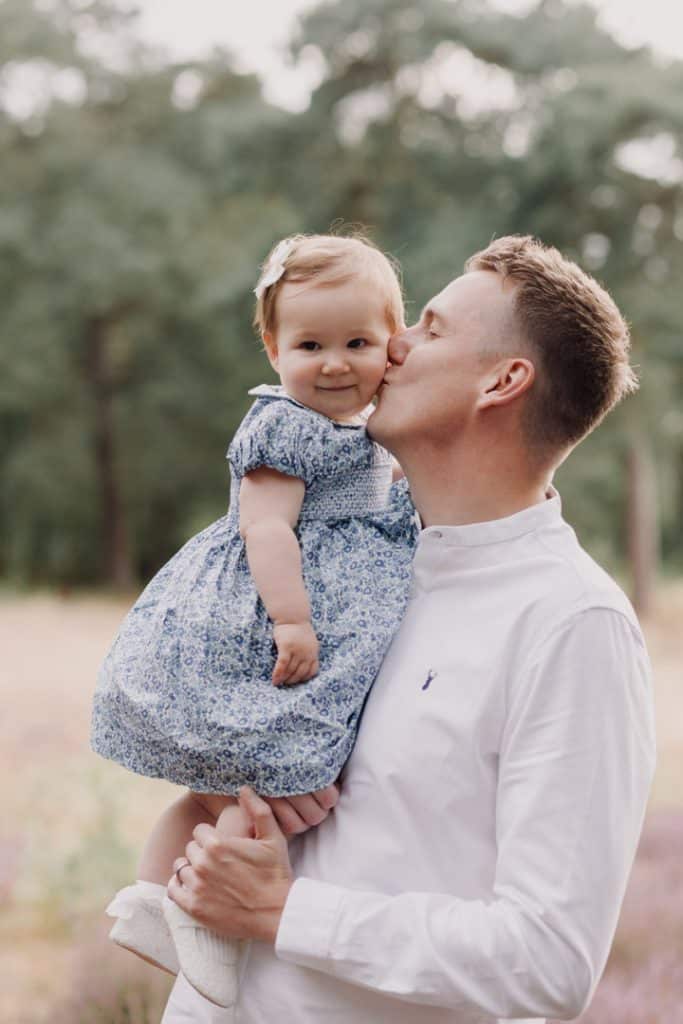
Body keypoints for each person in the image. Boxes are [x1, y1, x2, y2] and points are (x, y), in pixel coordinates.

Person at [161, 235, 656, 1024]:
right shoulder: (343, 563)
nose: (391, 345)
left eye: (428, 328)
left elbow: (547, 962)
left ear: (502, 381)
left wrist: (283, 911)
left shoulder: (571, 624)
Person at [90, 233, 417, 1008]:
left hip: (309, 611)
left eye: (357, 342)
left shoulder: (368, 434)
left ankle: (148, 894)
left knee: (229, 781)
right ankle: (197, 911)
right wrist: (292, 623)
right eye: (309, 344)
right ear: (272, 348)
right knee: (264, 772)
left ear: (391, 346)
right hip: (261, 619)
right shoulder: (286, 428)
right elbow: (265, 529)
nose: (334, 363)